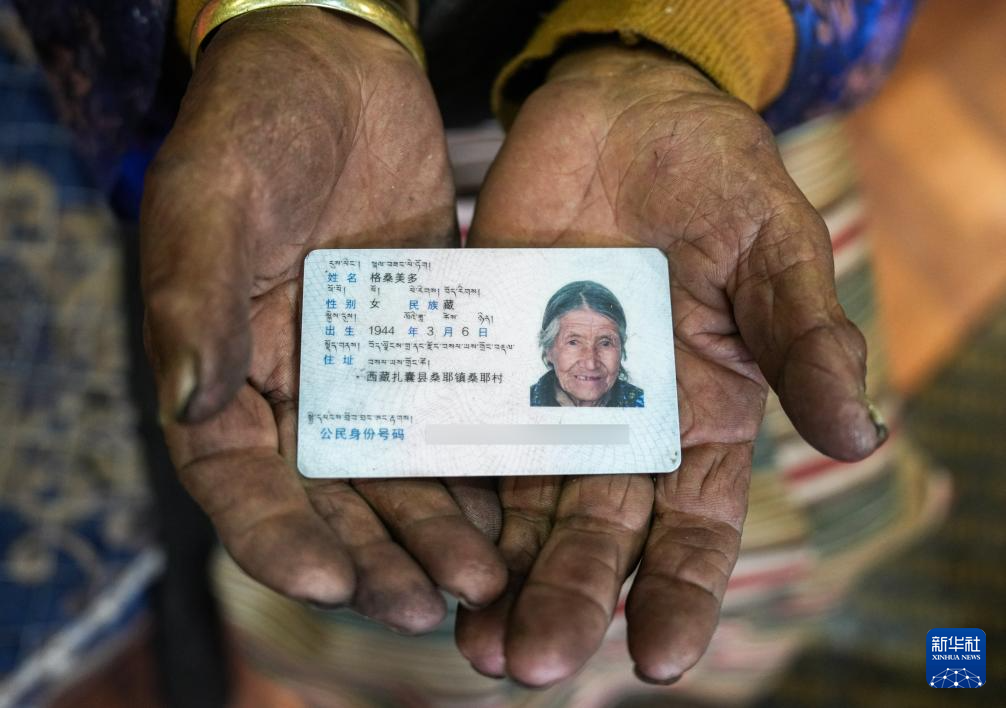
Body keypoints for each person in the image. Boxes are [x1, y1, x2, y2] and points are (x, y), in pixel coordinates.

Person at [12, 0, 918, 695]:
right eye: (576, 343)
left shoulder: (649, 373)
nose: (592, 362)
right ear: (545, 350)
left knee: (751, 518)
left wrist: (702, 31)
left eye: (605, 345)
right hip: (308, 171)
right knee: (395, 591)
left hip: (683, 147)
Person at [530, 281, 644, 408]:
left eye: (605, 343)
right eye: (573, 343)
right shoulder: (520, 404)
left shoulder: (646, 405)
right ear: (548, 350)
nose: (591, 364)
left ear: (621, 349)